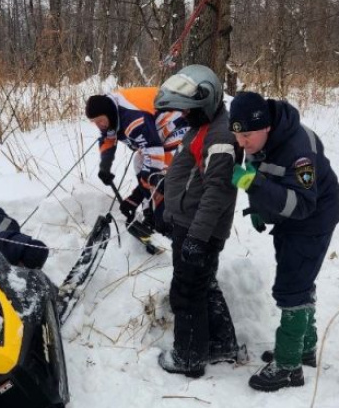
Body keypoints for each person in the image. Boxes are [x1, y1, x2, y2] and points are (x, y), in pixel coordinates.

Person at [228, 91, 339, 392]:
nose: (242, 143)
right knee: (299, 280)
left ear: (266, 126)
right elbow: (262, 174)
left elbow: (304, 205)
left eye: (247, 135)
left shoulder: (299, 152)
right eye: (238, 135)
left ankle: (289, 367)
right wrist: (259, 207)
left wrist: (255, 185)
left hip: (313, 220)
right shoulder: (259, 140)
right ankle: (303, 348)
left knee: (292, 287)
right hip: (289, 220)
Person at [153, 64, 244, 378]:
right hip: (188, 222)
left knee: (187, 291)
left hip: (199, 229)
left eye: (188, 109)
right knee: (204, 285)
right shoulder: (203, 123)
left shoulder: (220, 135)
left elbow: (218, 192)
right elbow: (187, 172)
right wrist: (169, 211)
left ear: (206, 101)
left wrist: (196, 237)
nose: (183, 115)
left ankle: (189, 358)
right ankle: (222, 344)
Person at [85, 87, 187, 231]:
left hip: (180, 121)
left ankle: (166, 220)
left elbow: (153, 156)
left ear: (108, 114)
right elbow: (108, 138)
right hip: (156, 126)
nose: (99, 125)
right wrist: (105, 166)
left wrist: (135, 198)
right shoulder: (111, 111)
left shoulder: (133, 119)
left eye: (100, 120)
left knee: (159, 172)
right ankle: (150, 212)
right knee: (140, 161)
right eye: (94, 122)